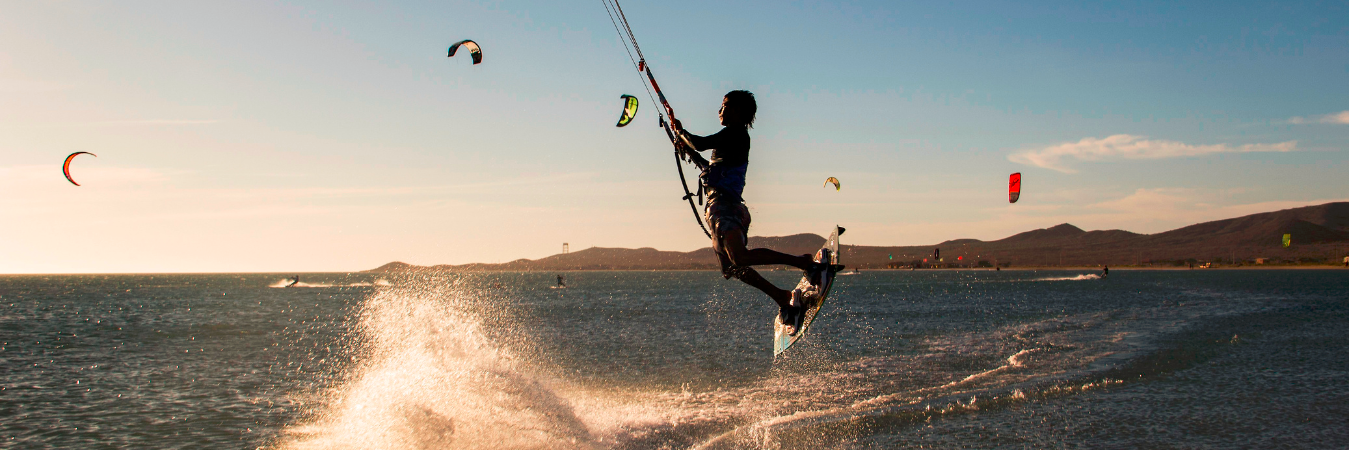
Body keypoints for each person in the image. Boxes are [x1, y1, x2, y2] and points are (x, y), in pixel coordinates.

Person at [673, 90, 829, 335]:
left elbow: (701, 143)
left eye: (724, 106)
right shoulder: (728, 142)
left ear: (739, 112)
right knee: (731, 268)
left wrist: (680, 131)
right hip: (718, 210)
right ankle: (783, 298)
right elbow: (708, 167)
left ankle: (804, 262)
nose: (719, 111)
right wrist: (686, 147)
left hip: (726, 207)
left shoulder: (736, 135)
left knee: (740, 257)